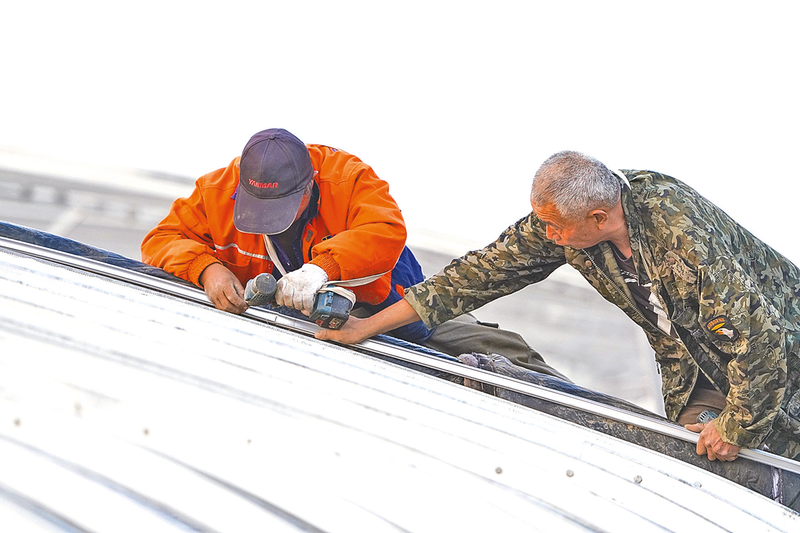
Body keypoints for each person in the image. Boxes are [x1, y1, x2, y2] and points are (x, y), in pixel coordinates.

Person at [316, 150, 800, 463]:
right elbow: (477, 275)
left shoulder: (679, 235)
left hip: (780, 364)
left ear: (598, 217)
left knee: (770, 472)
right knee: (692, 464)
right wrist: (368, 328)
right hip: (701, 371)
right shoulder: (571, 222)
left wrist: (736, 426)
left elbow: (761, 339)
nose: (548, 235)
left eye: (556, 227)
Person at [141, 128, 567, 380]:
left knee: (501, 350)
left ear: (309, 185)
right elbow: (162, 238)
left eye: (281, 209)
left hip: (389, 303)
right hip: (290, 323)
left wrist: (321, 270)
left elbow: (385, 230)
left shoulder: (348, 177)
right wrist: (207, 269)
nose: (272, 222)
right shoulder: (218, 190)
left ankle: (583, 407)